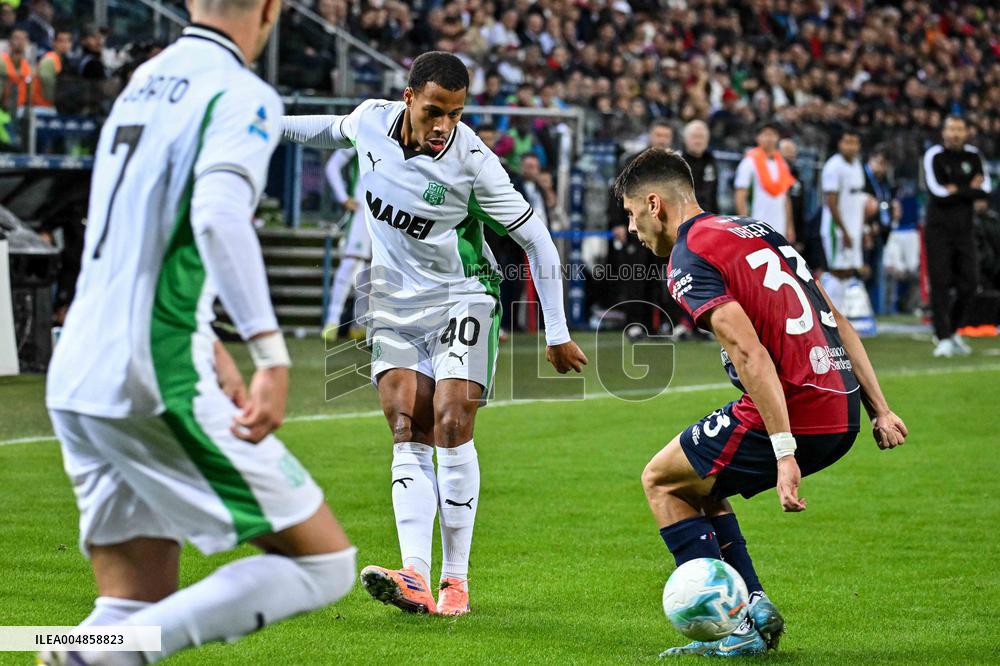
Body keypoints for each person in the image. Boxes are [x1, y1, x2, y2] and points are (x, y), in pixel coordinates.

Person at [42, 2, 356, 664]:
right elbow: (216, 216)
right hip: (150, 370)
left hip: (76, 368)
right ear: (271, 9)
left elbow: (139, 236)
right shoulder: (242, 92)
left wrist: (212, 344)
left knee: (132, 602)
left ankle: (86, 650)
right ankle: (90, 654)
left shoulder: (141, 84)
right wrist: (270, 355)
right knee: (324, 566)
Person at [282, 51, 588, 616]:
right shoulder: (372, 120)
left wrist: (556, 330)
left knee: (451, 419)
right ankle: (414, 575)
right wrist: (259, 124)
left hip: (462, 294)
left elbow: (538, 242)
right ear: (408, 100)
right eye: (434, 111)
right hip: (394, 302)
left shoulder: (472, 162)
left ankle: (456, 581)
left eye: (455, 113)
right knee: (407, 425)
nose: (444, 124)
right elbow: (328, 129)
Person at [614, 148, 906, 656]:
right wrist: (880, 408)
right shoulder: (755, 230)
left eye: (632, 213)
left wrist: (784, 452)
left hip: (800, 409)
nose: (634, 229)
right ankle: (756, 608)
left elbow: (749, 352)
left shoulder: (689, 257)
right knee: (697, 482)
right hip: (843, 406)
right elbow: (835, 317)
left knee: (660, 479)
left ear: (654, 204)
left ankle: (735, 628)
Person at [922, 115, 992, 358]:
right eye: (950, 129)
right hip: (938, 229)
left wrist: (957, 189)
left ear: (966, 132)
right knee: (940, 283)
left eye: (959, 129)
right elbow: (938, 191)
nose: (954, 133)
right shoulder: (934, 156)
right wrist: (969, 189)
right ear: (943, 132)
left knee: (970, 284)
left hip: (965, 229)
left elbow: (986, 189)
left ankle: (952, 331)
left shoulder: (974, 156)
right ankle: (942, 337)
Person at [322, 146, 372, 341]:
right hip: (360, 212)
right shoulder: (361, 129)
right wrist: (343, 197)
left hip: (385, 214)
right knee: (350, 263)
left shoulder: (399, 133)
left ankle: (358, 324)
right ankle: (332, 321)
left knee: (371, 269)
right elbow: (332, 165)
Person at [818, 129, 867, 312]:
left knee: (847, 272)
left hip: (853, 227)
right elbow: (831, 202)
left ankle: (838, 314)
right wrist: (844, 231)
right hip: (836, 228)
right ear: (840, 144)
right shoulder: (833, 166)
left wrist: (863, 229)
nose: (851, 147)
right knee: (837, 271)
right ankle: (826, 314)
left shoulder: (857, 165)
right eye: (847, 142)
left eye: (854, 142)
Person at [734, 123, 796, 242]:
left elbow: (786, 198)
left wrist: (790, 226)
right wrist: (744, 225)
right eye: (765, 134)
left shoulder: (782, 163)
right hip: (756, 226)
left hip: (779, 226)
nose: (769, 138)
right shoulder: (749, 162)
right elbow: (740, 195)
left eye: (773, 134)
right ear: (758, 138)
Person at [681, 119, 718, 213]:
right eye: (694, 137)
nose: (698, 141)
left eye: (701, 137)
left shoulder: (711, 160)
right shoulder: (677, 162)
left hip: (708, 215)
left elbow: (713, 193)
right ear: (685, 139)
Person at [31, 26, 70, 110]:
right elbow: (48, 92)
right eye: (61, 41)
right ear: (53, 42)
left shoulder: (65, 61)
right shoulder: (49, 60)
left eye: (68, 41)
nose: (64, 45)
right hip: (42, 107)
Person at [0, 28, 32, 110]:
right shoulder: (2, 62)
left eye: (23, 39)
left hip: (21, 108)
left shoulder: (27, 66)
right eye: (17, 38)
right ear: (10, 42)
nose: (20, 42)